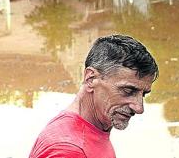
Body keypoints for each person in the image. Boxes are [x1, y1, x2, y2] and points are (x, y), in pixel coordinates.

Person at [29, 35, 158, 158]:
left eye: (144, 94)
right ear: (91, 78)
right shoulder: (70, 151)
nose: (139, 108)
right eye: (128, 90)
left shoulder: (91, 127)